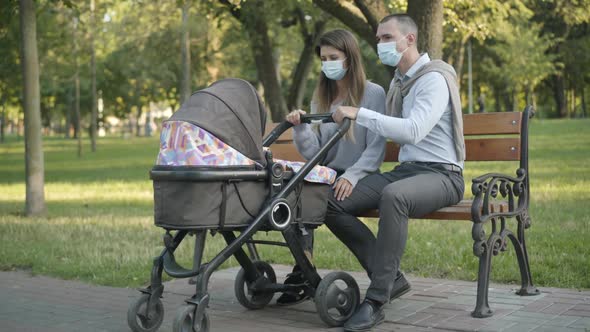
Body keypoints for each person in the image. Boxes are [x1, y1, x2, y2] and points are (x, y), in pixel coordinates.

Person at [330, 14, 466, 332]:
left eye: (387, 38)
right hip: (408, 171)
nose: (380, 44)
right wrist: (351, 172)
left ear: (409, 40)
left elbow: (413, 131)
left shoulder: (433, 78)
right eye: (378, 39)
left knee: (394, 196)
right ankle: (391, 278)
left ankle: (376, 300)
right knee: (330, 201)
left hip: (444, 175)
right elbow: (386, 134)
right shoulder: (398, 82)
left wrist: (360, 113)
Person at [277, 29, 387, 305]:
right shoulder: (321, 98)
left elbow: (376, 148)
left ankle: (385, 274)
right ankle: (303, 271)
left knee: (321, 202)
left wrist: (352, 175)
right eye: (324, 58)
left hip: (362, 174)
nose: (328, 63)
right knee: (289, 201)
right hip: (328, 173)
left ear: (349, 58)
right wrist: (300, 128)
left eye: (333, 57)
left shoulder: (372, 93)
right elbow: (316, 153)